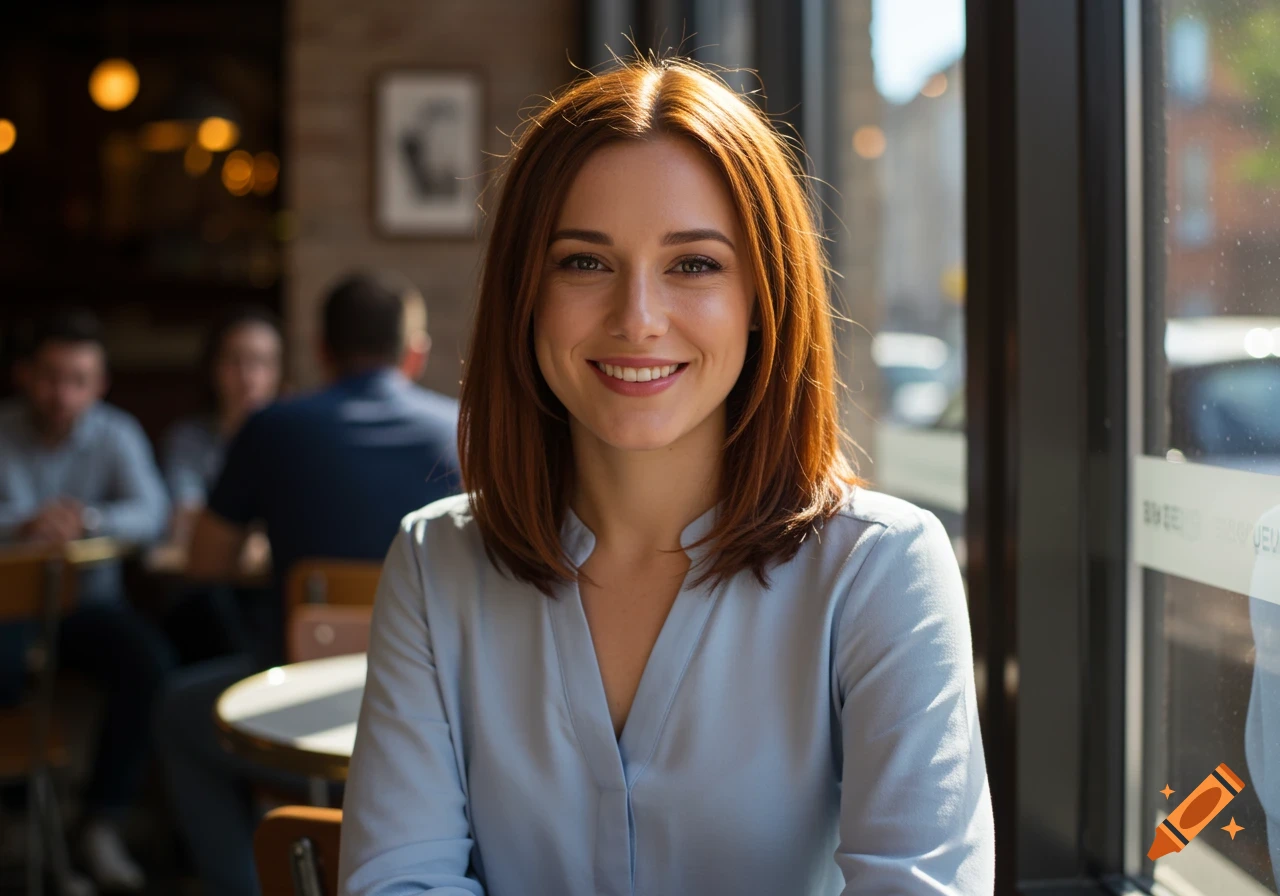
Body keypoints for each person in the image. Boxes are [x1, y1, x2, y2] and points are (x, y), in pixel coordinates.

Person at [339, 58, 995, 896]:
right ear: (525, 294)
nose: (637, 319)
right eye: (584, 262)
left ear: (764, 297)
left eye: (693, 265)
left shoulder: (882, 569)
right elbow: (397, 884)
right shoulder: (435, 565)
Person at [155, 269, 463, 896]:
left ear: (319, 350)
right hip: (439, 713)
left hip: (300, 705)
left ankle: (249, 881)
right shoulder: (462, 428)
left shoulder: (271, 427)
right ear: (414, 352)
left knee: (177, 713)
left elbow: (204, 564)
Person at [0, 308, 172, 893]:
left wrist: (87, 519)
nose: (63, 394)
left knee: (149, 664)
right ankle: (23, 814)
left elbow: (152, 515)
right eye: (51, 377)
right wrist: (25, 525)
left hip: (89, 609)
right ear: (25, 375)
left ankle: (102, 820)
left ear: (98, 383)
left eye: (78, 380)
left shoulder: (116, 432)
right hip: (10, 612)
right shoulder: (3, 430)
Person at [157, 306, 283, 664]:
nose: (247, 376)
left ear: (278, 371)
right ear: (213, 369)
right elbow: (186, 517)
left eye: (260, 362)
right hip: (208, 589)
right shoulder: (189, 439)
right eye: (235, 361)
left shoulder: (292, 440)